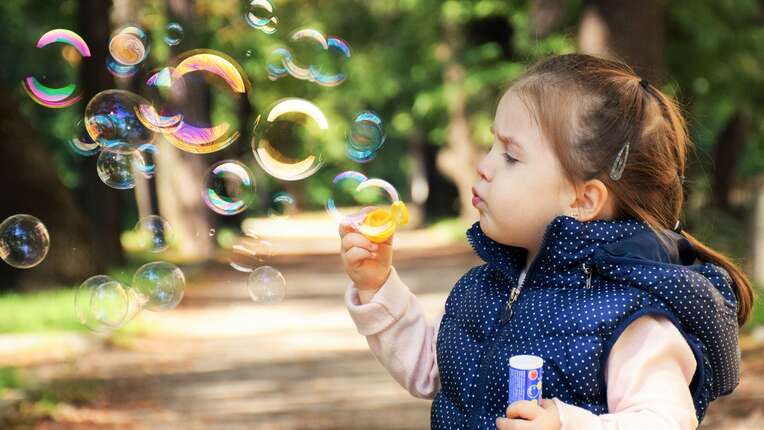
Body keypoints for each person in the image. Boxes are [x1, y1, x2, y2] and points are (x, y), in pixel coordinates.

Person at [339, 53, 752, 429]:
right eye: (491, 144)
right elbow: (434, 370)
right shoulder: (484, 288)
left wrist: (568, 424)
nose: (483, 167)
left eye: (511, 156)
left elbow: (665, 420)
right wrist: (378, 287)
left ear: (583, 199)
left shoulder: (630, 315)